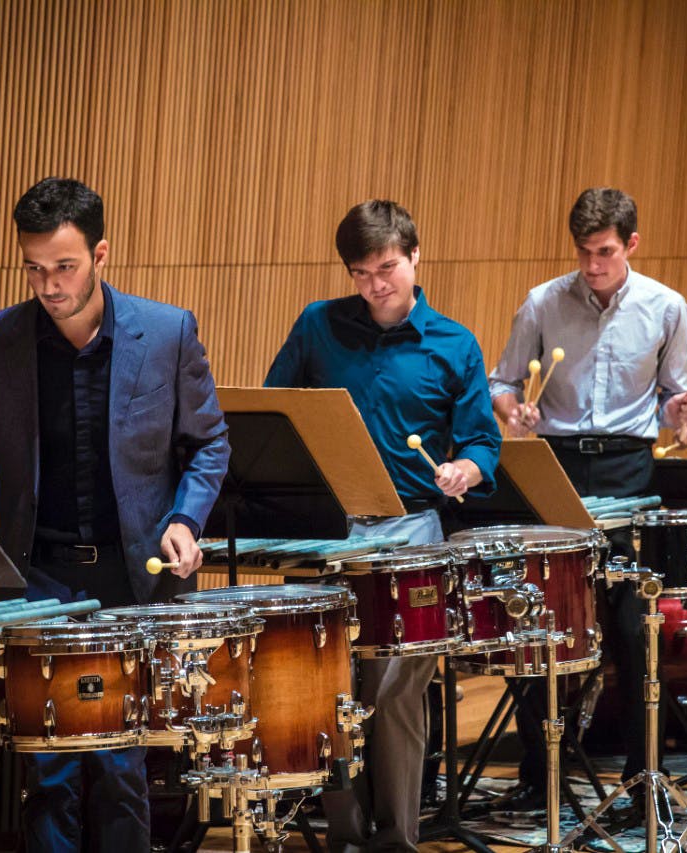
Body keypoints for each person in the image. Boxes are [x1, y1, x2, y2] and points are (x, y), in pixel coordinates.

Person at [0, 177, 230, 851]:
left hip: (132, 576)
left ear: (102, 255)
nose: (48, 284)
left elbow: (208, 442)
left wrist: (186, 518)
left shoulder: (166, 333)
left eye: (64, 266)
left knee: (125, 767)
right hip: (37, 575)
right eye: (34, 268)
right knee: (48, 767)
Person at [265, 199, 500, 853]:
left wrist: (463, 470)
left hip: (412, 529)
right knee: (327, 685)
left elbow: (484, 444)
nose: (376, 284)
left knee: (395, 690)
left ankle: (396, 839)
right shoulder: (318, 326)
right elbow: (275, 408)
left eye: (388, 267)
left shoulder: (454, 343)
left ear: (416, 256)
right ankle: (342, 836)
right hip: (328, 531)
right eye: (361, 272)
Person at [489, 187, 687, 811]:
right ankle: (538, 772)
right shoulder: (542, 302)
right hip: (554, 469)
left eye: (605, 252)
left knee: (636, 628)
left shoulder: (667, 307)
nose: (592, 265)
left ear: (631, 244)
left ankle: (642, 776)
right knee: (541, 619)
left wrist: (684, 413)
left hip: (630, 471)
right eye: (583, 252)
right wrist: (513, 409)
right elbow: (501, 380)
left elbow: (675, 405)